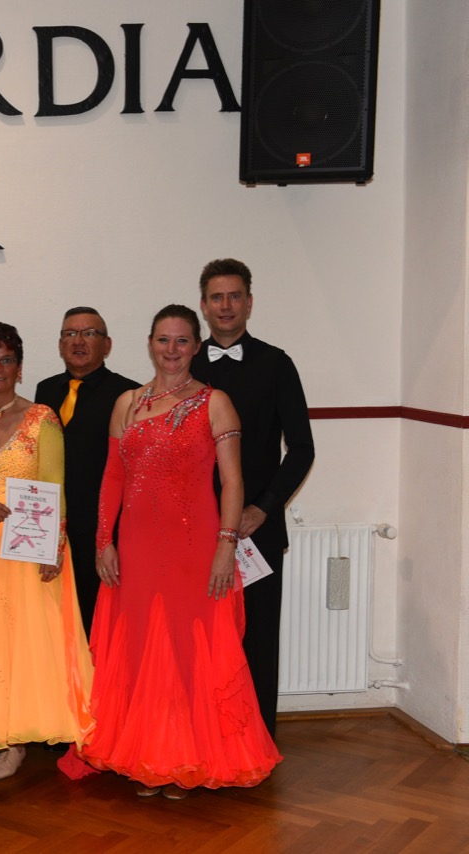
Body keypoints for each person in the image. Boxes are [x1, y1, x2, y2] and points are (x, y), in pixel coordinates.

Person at [81, 306, 280, 799]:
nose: (172, 350)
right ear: (150, 343)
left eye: (182, 341)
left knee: (189, 650)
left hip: (196, 548)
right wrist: (104, 540)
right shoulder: (126, 403)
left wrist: (226, 547)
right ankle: (147, 756)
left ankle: (188, 758)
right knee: (141, 649)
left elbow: (233, 482)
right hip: (137, 548)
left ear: (196, 346)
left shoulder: (216, 403)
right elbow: (113, 477)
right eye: (163, 340)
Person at [0, 322, 93, 780]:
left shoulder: (42, 418)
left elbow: (55, 486)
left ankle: (15, 741)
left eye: (6, 360)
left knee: (22, 645)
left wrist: (54, 546)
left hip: (26, 548)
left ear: (19, 366)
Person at [191, 259, 314, 741]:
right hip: (196, 529)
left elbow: (301, 449)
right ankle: (203, 738)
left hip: (255, 529)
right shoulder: (184, 364)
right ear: (204, 305)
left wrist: (263, 508)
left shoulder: (277, 363)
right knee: (201, 637)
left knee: (258, 637)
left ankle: (258, 741)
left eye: (235, 296)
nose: (226, 305)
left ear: (249, 303)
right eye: (216, 297)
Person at [34, 308, 139, 633]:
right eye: (70, 334)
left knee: (100, 620)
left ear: (107, 345)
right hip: (54, 526)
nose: (78, 341)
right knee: (56, 618)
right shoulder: (45, 391)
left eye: (89, 333)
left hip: (105, 529)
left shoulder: (129, 395)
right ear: (60, 344)